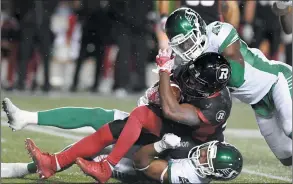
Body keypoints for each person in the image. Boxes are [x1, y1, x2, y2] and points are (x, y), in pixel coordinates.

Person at [20, 52, 232, 182]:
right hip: (176, 125)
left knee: (137, 124)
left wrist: (163, 72)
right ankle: (54, 163)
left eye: (197, 83)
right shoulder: (196, 72)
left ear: (211, 88)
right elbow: (173, 87)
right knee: (120, 126)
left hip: (190, 143)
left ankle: (108, 167)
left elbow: (172, 111)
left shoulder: (215, 106)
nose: (191, 82)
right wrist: (163, 87)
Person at [162, 7, 292, 166]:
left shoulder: (218, 34)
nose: (187, 49)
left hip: (277, 80)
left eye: (188, 41)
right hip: (259, 103)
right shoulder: (182, 60)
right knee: (287, 156)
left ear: (199, 29)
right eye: (181, 46)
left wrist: (200, 77)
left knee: (290, 126)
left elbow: (236, 78)